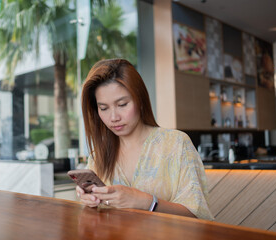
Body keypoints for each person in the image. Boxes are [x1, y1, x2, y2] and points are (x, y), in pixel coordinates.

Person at [77, 58, 214, 220]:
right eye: (104, 108)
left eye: (122, 104)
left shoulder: (176, 144)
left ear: (140, 100)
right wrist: (89, 200)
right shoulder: (98, 155)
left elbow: (198, 215)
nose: (113, 117)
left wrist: (147, 202)